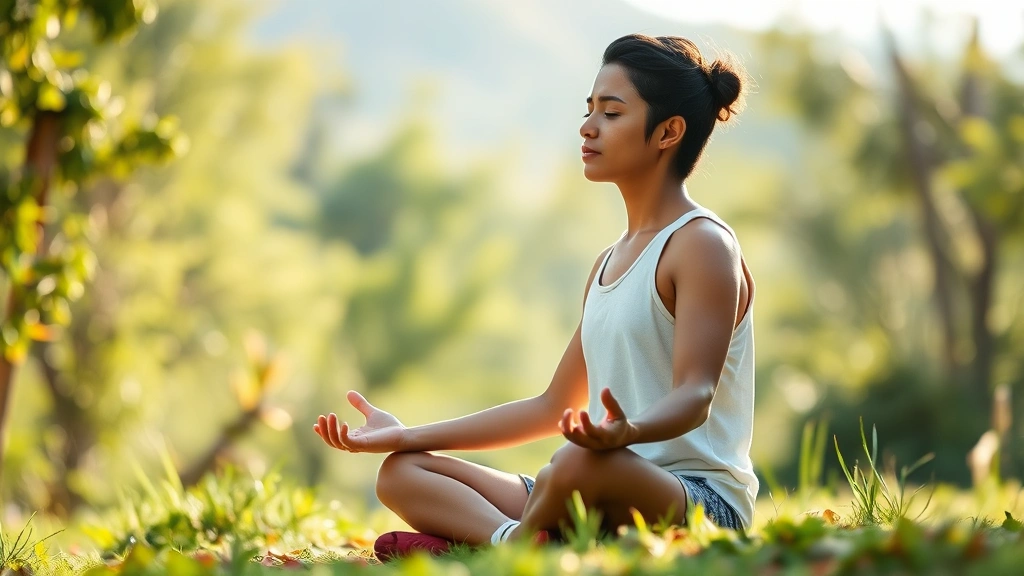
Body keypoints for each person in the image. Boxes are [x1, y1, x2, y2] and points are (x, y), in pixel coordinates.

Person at [313, 33, 757, 561]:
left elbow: (696, 393)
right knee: (404, 472)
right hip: (590, 484)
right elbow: (552, 405)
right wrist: (405, 435)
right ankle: (517, 542)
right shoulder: (610, 262)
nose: (587, 126)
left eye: (611, 113)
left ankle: (508, 542)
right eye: (589, 109)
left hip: (698, 506)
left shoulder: (702, 244)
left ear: (668, 132)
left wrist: (625, 433)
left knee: (573, 464)